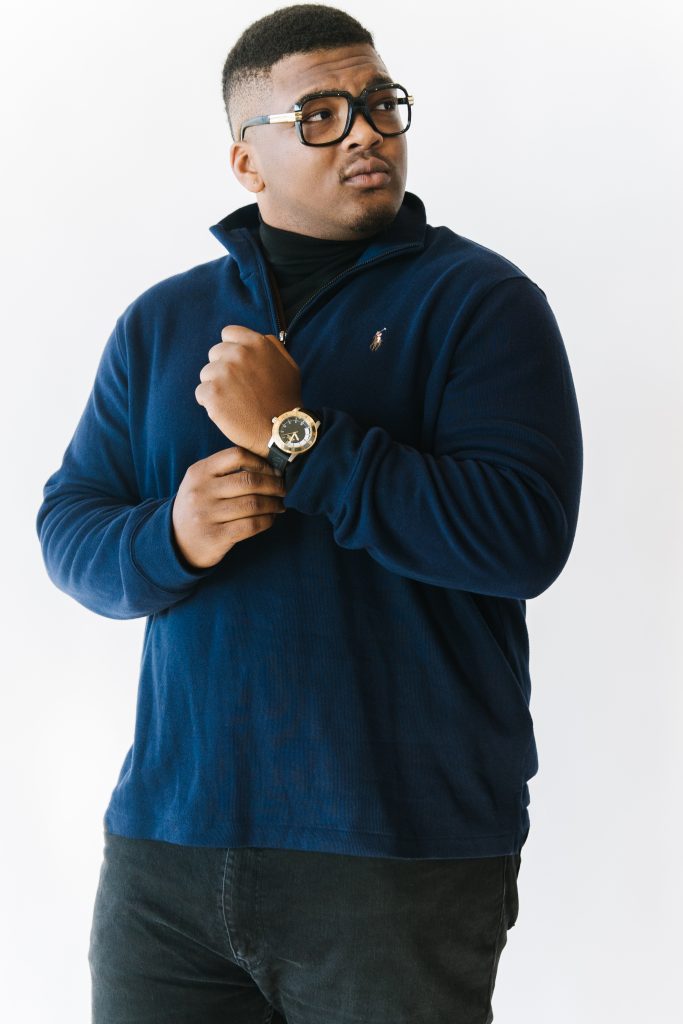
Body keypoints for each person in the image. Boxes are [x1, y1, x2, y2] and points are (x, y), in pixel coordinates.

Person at [35, 4, 583, 1022]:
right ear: (247, 162)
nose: (366, 132)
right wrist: (171, 536)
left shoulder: (481, 302)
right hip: (166, 855)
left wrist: (297, 437)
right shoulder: (160, 321)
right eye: (320, 115)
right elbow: (68, 525)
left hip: (394, 856)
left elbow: (521, 538)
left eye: (379, 103)